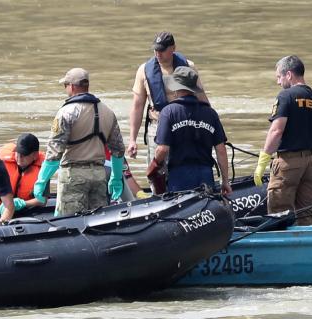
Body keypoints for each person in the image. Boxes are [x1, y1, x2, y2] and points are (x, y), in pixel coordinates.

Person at [34, 68, 126, 216]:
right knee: (97, 222)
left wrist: (41, 181)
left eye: (65, 85)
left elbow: (54, 152)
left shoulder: (66, 112)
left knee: (68, 224)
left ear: (71, 86)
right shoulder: (107, 111)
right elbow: (118, 149)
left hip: (73, 176)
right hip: (99, 175)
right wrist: (115, 177)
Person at [128, 31, 210, 193]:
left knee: (184, 168)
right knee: (157, 172)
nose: (158, 54)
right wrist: (132, 139)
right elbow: (137, 106)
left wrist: (209, 127)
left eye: (162, 50)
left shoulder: (188, 66)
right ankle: (160, 201)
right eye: (155, 50)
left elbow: (201, 98)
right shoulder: (144, 70)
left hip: (184, 125)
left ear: (173, 48)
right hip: (157, 126)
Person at [253, 55, 312, 226]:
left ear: (289, 75)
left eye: (279, 77)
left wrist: (263, 160)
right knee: (306, 213)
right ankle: (307, 249)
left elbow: (276, 130)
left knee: (279, 212)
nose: (279, 82)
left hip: (288, 163)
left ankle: (281, 251)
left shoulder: (286, 96)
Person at [149, 67, 231, 196]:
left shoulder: (169, 112)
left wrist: (154, 166)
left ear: (175, 87)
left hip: (179, 177)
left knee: (179, 213)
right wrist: (225, 181)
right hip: (206, 175)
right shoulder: (210, 113)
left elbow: (163, 149)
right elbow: (221, 149)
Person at [0, 133, 50, 215]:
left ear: (35, 155)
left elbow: (43, 200)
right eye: (18, 152)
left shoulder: (43, 170)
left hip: (26, 211)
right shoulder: (2, 163)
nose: (19, 156)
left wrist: (22, 203)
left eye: (24, 154)